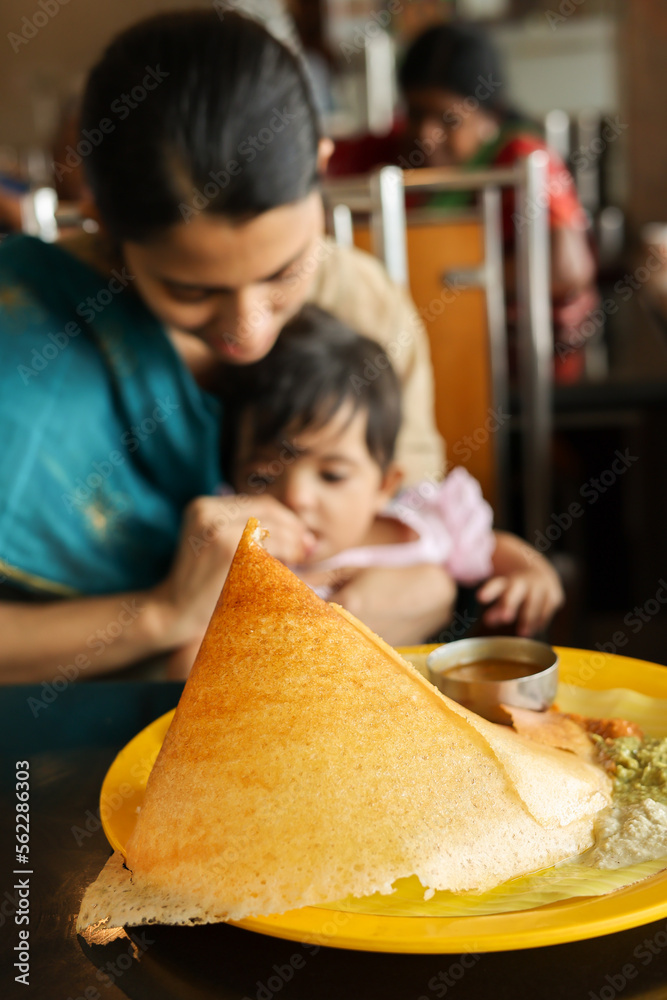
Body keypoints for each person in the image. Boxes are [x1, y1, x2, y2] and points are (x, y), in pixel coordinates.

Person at [0, 10, 449, 683]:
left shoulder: (363, 309)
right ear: (101, 219)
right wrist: (162, 615)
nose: (249, 328)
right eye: (190, 291)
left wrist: (420, 589)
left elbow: (416, 546)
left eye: (283, 273)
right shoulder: (27, 331)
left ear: (322, 169)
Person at [201, 305, 562, 673]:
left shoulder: (419, 531)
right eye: (262, 477)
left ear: (385, 486)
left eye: (332, 476)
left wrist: (531, 573)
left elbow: (493, 546)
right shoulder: (245, 554)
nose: (297, 498)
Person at [397, 23, 598, 379]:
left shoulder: (523, 158)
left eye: (448, 119)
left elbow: (567, 269)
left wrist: (438, 279)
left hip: (530, 368)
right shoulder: (403, 154)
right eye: (415, 115)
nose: (426, 135)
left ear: (489, 116)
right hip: (451, 353)